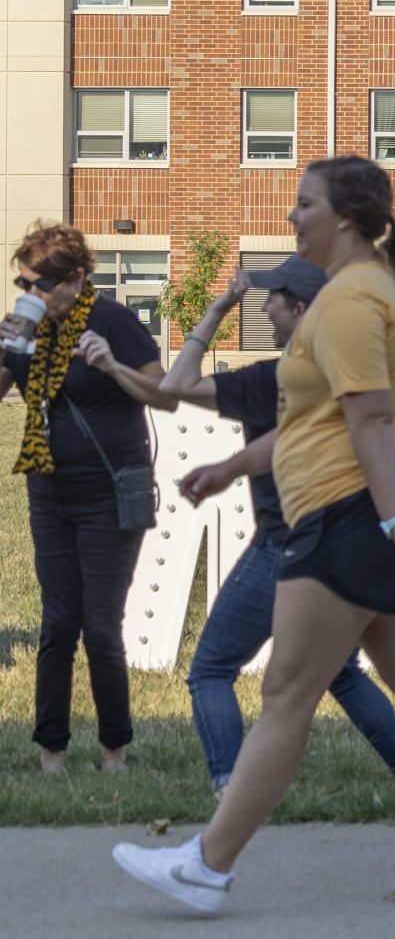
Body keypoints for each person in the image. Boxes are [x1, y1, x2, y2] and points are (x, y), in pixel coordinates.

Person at [112, 156, 395, 912]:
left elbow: (366, 422)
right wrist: (236, 464)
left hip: (353, 512)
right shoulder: (357, 296)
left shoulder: (351, 301)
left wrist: (394, 524)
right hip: (378, 505)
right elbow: (316, 418)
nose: (293, 217)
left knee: (288, 689)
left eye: (304, 205)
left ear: (349, 219)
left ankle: (207, 865)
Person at [86, 259, 395, 795]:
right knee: (340, 671)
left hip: (286, 546)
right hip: (350, 542)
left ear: (298, 310)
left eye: (271, 299)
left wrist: (217, 309)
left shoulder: (272, 379)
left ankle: (230, 784)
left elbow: (175, 387)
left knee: (211, 671)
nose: (261, 306)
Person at [0, 221, 164, 774]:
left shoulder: (111, 320)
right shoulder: (25, 324)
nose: (32, 294)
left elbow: (162, 396)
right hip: (48, 489)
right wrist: (6, 343)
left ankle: (114, 750)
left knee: (99, 626)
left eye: (41, 284)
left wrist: (111, 365)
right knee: (57, 624)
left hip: (109, 492)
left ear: (74, 277)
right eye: (24, 282)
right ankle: (51, 752)